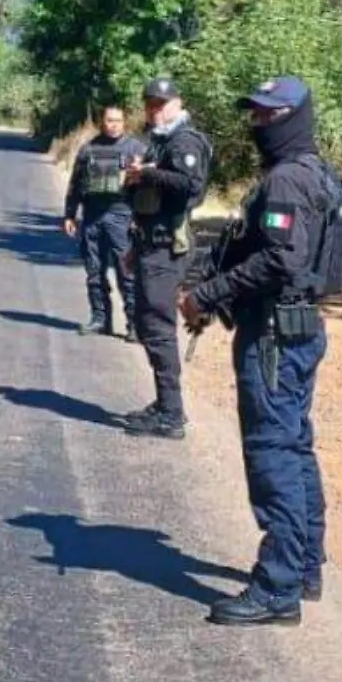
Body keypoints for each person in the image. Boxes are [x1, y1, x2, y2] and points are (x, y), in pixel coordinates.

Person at [181, 76, 342, 627]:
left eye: (269, 115)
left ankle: (278, 586)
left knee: (273, 452)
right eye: (254, 114)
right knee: (295, 446)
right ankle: (304, 566)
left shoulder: (286, 181)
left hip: (276, 335)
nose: (258, 124)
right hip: (296, 330)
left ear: (294, 117)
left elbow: (281, 260)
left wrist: (207, 294)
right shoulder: (316, 173)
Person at [120, 76, 213, 440]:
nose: (154, 110)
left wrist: (148, 174)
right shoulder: (159, 142)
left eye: (160, 104)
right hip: (148, 245)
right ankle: (163, 404)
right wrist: (133, 246)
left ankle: (172, 414)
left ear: (177, 103)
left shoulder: (184, 141)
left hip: (165, 250)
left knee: (157, 327)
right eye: (149, 104)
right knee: (147, 324)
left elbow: (192, 186)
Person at [63, 105, 147, 340]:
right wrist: (69, 214)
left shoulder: (136, 148)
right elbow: (76, 184)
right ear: (102, 121)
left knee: (126, 272)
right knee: (94, 271)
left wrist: (142, 220)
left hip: (122, 216)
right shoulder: (88, 149)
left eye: (118, 120)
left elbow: (147, 188)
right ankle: (100, 319)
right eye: (109, 120)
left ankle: (133, 324)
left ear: (124, 122)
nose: (113, 125)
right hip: (92, 216)